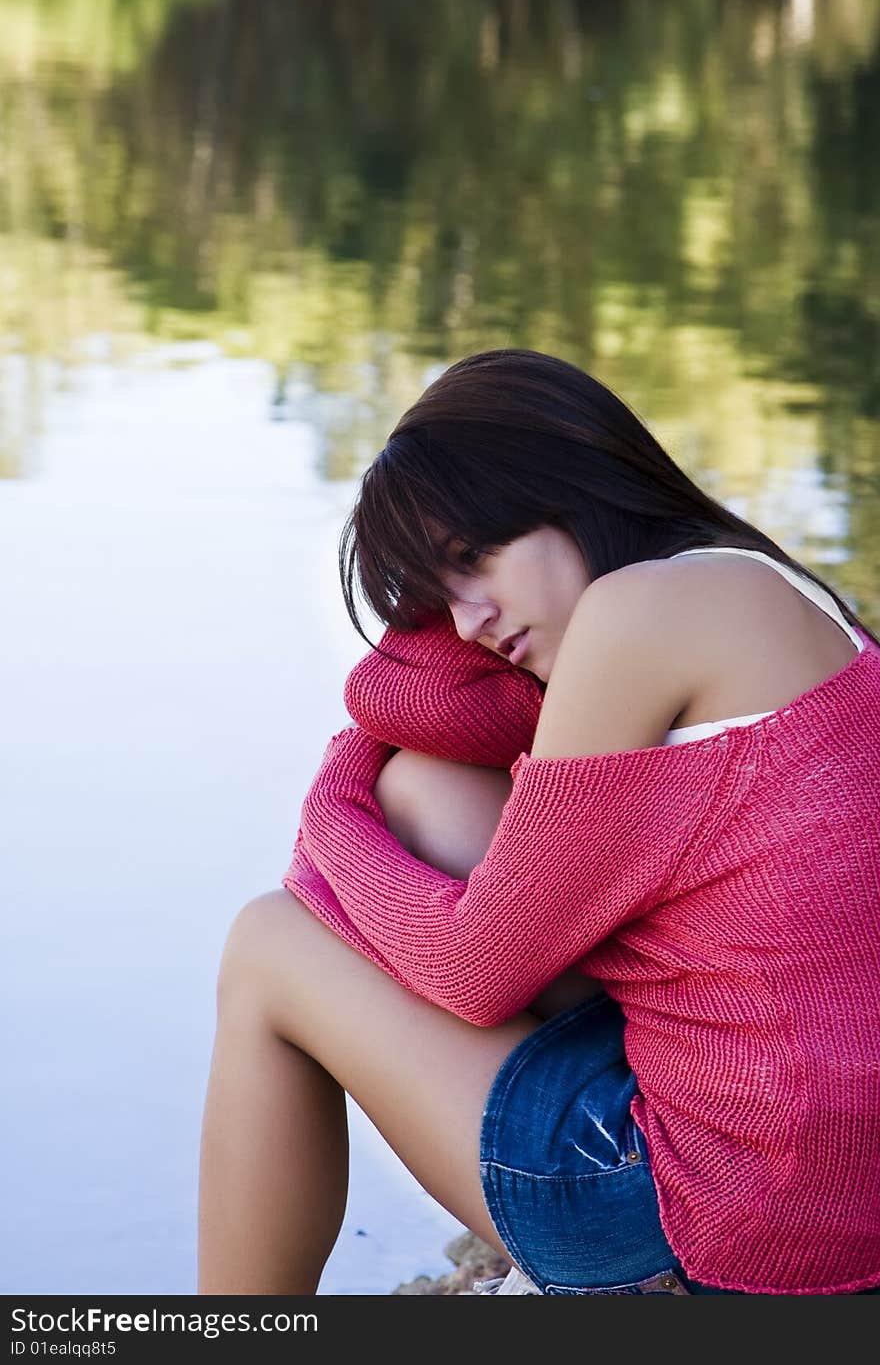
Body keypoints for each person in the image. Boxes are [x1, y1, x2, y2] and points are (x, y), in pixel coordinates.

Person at [197, 348, 880, 1296]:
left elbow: (474, 976)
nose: (468, 621)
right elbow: (429, 708)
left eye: (475, 557)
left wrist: (332, 805)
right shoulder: (759, 587)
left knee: (267, 945)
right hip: (834, 1188)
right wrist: (446, 598)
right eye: (439, 598)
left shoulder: (633, 617)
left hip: (741, 1220)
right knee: (429, 789)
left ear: (571, 482)